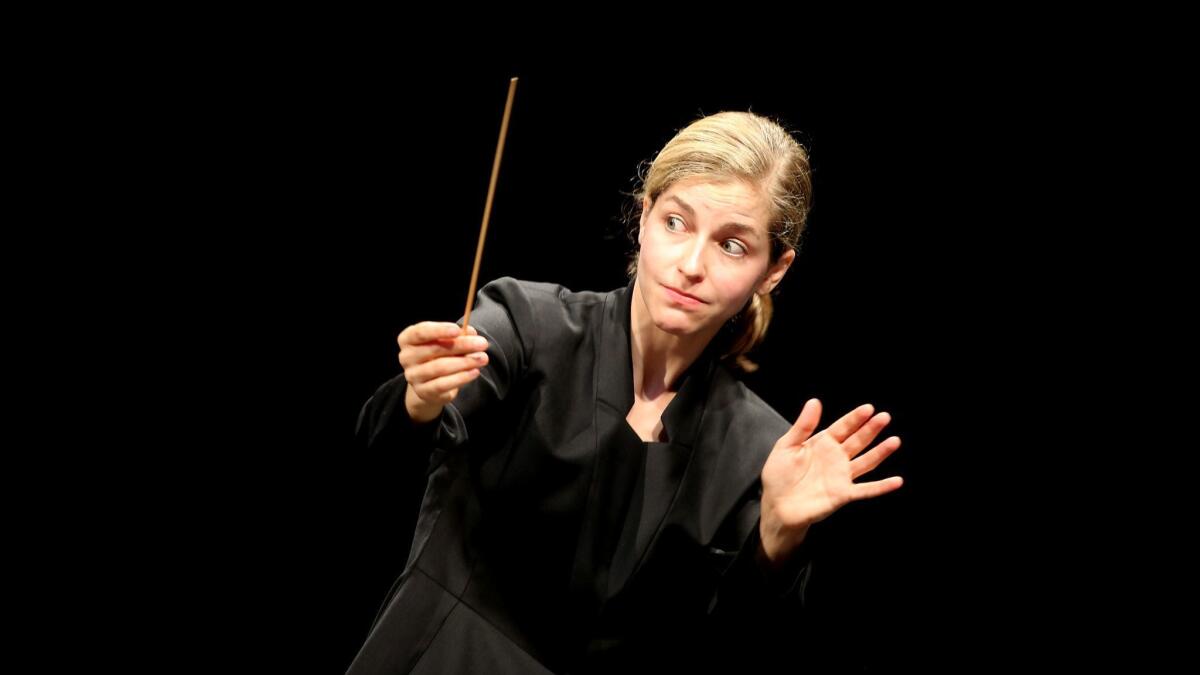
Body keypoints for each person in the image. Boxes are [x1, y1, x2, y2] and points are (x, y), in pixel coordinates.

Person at [346, 111, 903, 674]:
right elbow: (382, 468)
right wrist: (420, 400)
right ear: (644, 216)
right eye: (676, 223)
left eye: (732, 246)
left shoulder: (762, 449)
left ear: (774, 270)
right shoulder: (529, 323)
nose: (690, 265)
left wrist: (778, 538)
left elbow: (732, 647)